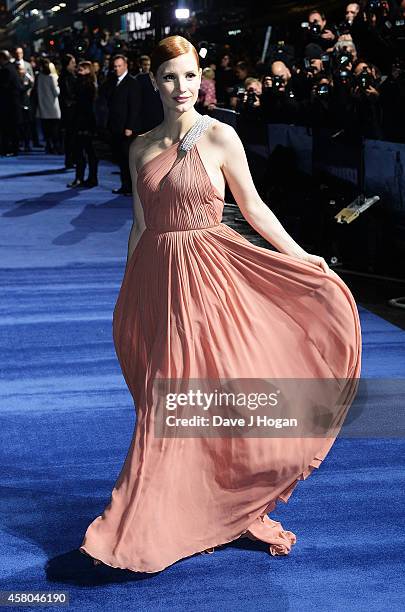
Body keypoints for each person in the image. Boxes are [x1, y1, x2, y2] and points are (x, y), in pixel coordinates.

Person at [79, 35, 362, 574]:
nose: (181, 87)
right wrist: (127, 291)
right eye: (169, 77)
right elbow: (141, 226)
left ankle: (137, 527)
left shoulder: (221, 136)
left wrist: (304, 258)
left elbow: (254, 208)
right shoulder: (139, 148)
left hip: (211, 278)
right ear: (154, 81)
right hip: (158, 282)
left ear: (200, 78)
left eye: (189, 76)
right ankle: (208, 504)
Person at [103, 54, 139, 195]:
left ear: (126, 66)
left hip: (126, 128)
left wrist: (130, 126)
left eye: (119, 66)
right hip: (115, 126)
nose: (116, 69)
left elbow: (134, 107)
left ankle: (130, 187)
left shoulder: (132, 83)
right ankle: (125, 185)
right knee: (120, 158)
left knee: (127, 158)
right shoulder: (113, 81)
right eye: (115, 66)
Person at [67, 61, 98, 189]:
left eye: (83, 68)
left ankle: (87, 178)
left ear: (88, 70)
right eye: (79, 67)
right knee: (83, 151)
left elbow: (86, 105)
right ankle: (86, 178)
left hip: (85, 122)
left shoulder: (88, 85)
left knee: (86, 151)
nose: (79, 69)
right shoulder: (80, 82)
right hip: (80, 121)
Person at [36, 58, 61, 154]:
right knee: (54, 129)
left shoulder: (39, 77)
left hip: (42, 106)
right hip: (53, 107)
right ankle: (56, 147)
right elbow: (56, 92)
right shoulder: (52, 77)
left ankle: (48, 146)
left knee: (46, 129)